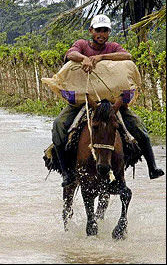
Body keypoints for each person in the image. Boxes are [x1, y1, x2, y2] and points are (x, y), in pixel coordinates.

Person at [52, 14, 164, 187]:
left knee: (139, 127)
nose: (101, 34)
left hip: (112, 102)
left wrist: (102, 58)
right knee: (59, 125)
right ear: (91, 31)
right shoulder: (82, 45)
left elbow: (127, 56)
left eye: (105, 31)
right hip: (84, 101)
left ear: (109, 33)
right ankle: (66, 172)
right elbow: (71, 54)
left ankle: (152, 167)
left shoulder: (112, 47)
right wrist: (85, 58)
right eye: (98, 30)